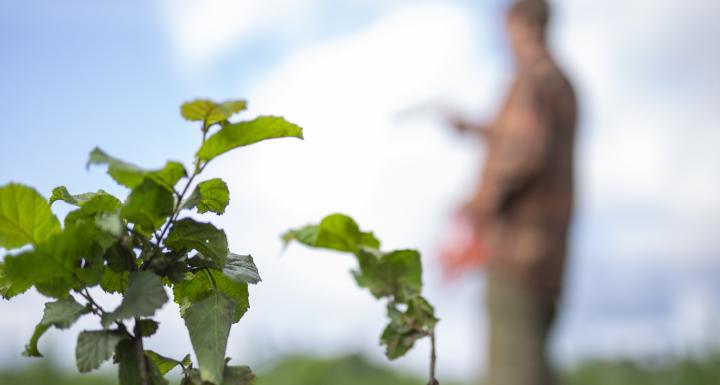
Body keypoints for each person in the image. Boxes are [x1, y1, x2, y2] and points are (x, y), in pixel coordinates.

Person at [443, 1, 577, 384]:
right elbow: (525, 139)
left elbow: (521, 155)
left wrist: (476, 208)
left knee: (512, 373)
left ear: (520, 25)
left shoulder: (532, 80)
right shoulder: (560, 83)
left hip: (515, 256)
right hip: (546, 259)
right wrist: (476, 129)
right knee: (534, 366)